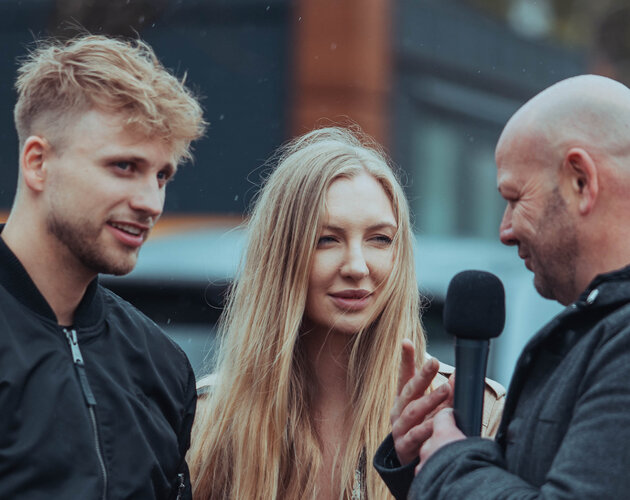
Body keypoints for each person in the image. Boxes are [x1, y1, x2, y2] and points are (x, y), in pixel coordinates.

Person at [187, 127, 504, 499]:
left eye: (379, 239)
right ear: (280, 257)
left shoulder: (473, 413)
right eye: (327, 239)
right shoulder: (205, 420)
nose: (357, 266)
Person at [374, 74, 630, 499]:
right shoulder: (602, 330)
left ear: (581, 181)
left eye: (514, 198)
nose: (505, 231)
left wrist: (450, 464)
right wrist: (422, 466)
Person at [0, 35, 205, 498]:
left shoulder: (162, 366)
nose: (150, 202)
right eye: (124, 167)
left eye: (162, 175)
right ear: (37, 163)